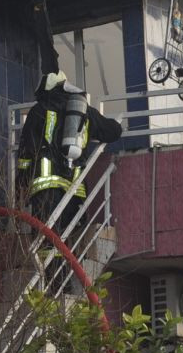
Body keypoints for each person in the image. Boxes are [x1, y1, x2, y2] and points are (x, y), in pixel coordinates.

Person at [16, 70, 123, 234]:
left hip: (45, 186)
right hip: (74, 187)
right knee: (69, 236)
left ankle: (49, 260)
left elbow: (27, 150)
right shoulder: (83, 110)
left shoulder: (39, 110)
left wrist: (21, 183)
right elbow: (112, 132)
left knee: (47, 236)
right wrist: (118, 124)